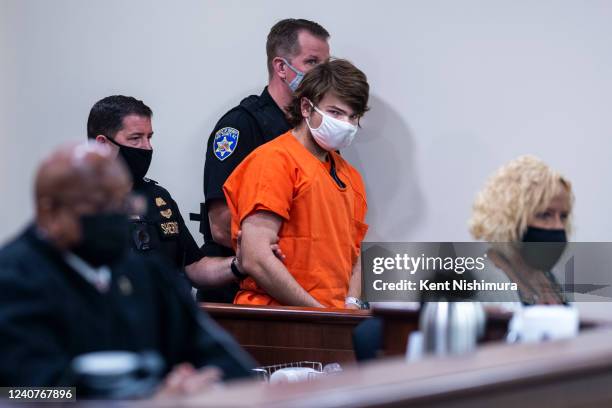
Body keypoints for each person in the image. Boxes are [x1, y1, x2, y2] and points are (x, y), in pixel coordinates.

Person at [0, 143, 255, 391]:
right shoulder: (13, 280)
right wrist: (148, 396)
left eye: (123, 204)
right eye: (99, 206)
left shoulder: (145, 272)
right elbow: (26, 391)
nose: (115, 217)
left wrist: (206, 384)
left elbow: (224, 359)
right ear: (50, 213)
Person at [197, 18, 331, 302]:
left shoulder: (317, 133)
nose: (323, 75)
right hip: (242, 295)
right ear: (281, 67)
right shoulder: (241, 126)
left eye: (326, 64)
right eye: (312, 63)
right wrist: (300, 248)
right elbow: (221, 226)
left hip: (300, 288)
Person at [223, 59, 370, 309]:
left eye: (352, 116)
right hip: (278, 319)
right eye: (335, 112)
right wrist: (318, 313)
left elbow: (355, 255)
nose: (345, 124)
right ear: (306, 107)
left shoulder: (350, 176)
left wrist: (352, 307)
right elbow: (255, 257)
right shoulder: (273, 161)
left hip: (333, 323)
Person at [88, 95, 251, 292]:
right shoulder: (77, 202)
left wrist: (239, 264)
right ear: (102, 144)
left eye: (149, 137)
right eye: (135, 138)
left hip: (165, 316)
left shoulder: (158, 197)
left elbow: (194, 267)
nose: (147, 147)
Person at [469, 155, 574, 304]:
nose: (558, 227)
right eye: (544, 215)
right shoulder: (485, 283)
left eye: (563, 216)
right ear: (510, 216)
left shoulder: (556, 280)